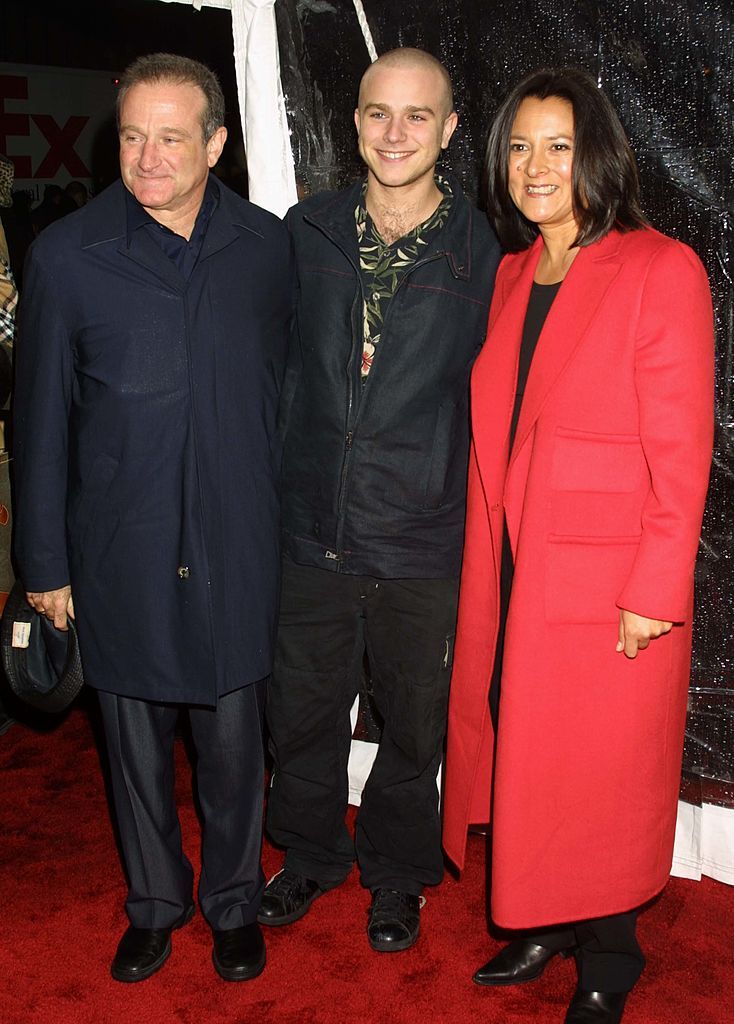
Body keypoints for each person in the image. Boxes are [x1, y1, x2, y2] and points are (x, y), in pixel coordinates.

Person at [12, 53, 292, 984]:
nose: (148, 157)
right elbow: (39, 420)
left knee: (232, 742)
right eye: (132, 135)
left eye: (172, 136)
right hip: (118, 547)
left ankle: (234, 901)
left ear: (215, 141)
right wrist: (43, 564)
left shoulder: (265, 248)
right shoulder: (65, 256)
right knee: (131, 748)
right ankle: (156, 904)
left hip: (236, 539)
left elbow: (288, 394)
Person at [442, 67, 714, 1024]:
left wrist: (653, 587)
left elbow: (682, 454)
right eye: (519, 146)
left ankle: (611, 943)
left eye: (558, 145)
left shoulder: (660, 266)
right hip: (518, 561)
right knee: (529, 751)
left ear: (599, 154)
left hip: (607, 580)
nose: (535, 165)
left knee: (596, 768)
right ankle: (546, 917)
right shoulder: (517, 271)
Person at [260, 47, 501, 952]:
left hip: (422, 537)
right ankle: (313, 855)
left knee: (414, 724)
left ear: (447, 130)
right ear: (353, 122)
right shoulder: (305, 231)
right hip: (310, 524)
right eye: (376, 114)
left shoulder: (485, 252)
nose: (395, 133)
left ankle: (399, 874)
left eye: (417, 116)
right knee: (303, 710)